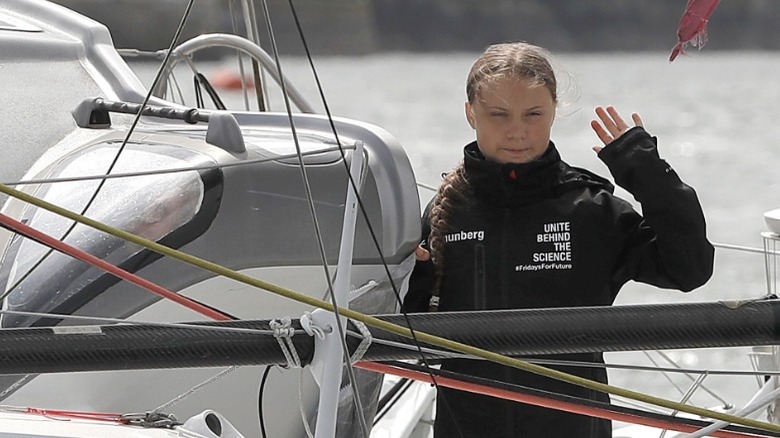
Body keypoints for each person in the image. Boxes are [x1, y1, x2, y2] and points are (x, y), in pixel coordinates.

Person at [401, 42, 715, 437]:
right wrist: (414, 282)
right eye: (499, 115)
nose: (518, 131)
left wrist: (645, 171)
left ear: (554, 111)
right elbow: (410, 339)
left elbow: (690, 269)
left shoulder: (590, 209)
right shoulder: (444, 214)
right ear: (470, 113)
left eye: (534, 114)